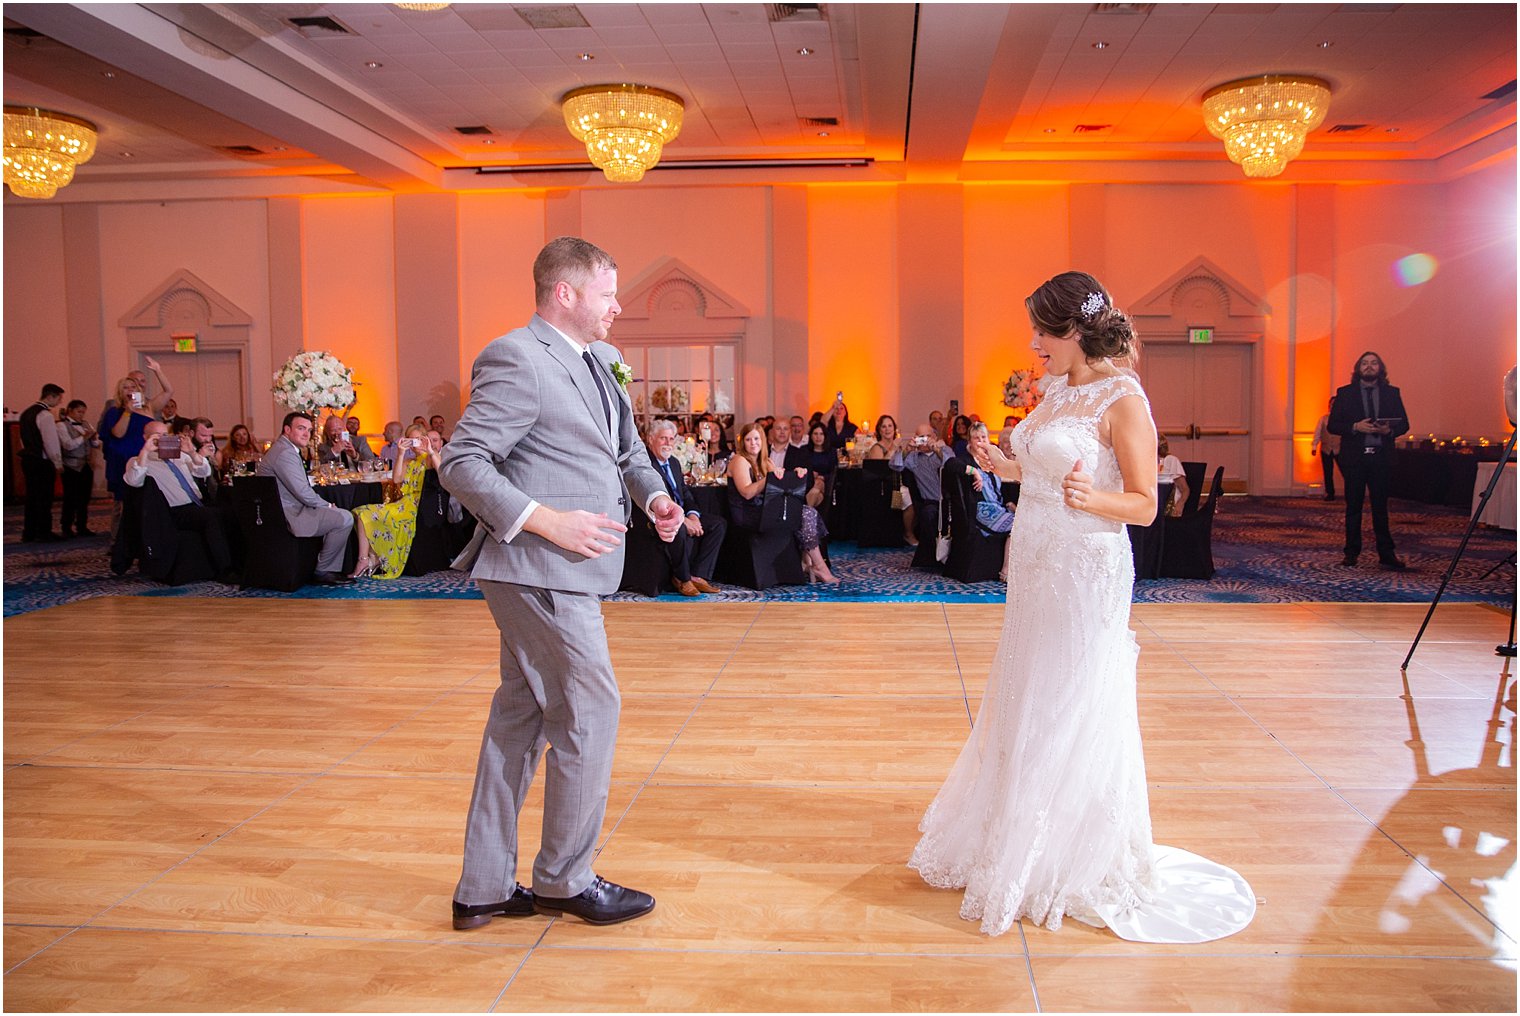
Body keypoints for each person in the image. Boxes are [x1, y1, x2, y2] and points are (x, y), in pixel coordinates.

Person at [909, 271, 1255, 942]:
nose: (1033, 343)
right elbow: (1033, 470)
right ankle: (1016, 828)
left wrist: (1090, 500)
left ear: (1071, 331)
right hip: (1036, 566)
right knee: (1028, 692)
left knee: (1070, 697)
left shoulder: (1124, 399)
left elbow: (1145, 504)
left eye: (1041, 329)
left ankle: (1064, 854)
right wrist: (997, 464)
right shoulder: (1059, 391)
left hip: (1085, 567)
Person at [440, 236, 683, 931]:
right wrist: (547, 521)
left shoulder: (601, 361)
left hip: (563, 573)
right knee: (589, 712)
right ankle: (564, 879)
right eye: (608, 293)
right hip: (537, 568)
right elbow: (463, 461)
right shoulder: (517, 356)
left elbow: (626, 451)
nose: (619, 306)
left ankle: (483, 888)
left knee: (520, 720)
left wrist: (654, 500)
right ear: (566, 294)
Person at [123, 420, 239, 582]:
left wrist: (192, 452)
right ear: (146, 438)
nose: (162, 439)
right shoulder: (138, 460)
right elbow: (134, 480)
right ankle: (224, 569)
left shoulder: (179, 456)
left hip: (195, 504)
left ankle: (238, 562)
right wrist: (145, 451)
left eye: (165, 435)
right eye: (157, 436)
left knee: (229, 511)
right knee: (211, 517)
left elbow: (203, 471)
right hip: (173, 511)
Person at [727, 422, 838, 584]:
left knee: (808, 512)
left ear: (763, 440)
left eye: (756, 439)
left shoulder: (766, 462)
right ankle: (816, 565)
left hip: (765, 510)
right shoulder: (740, 460)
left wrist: (797, 474)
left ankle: (809, 562)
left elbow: (781, 484)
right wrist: (768, 479)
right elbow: (747, 492)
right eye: (748, 440)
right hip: (748, 514)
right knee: (805, 513)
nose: (753, 443)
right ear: (742, 442)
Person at [1329, 351, 1410, 570]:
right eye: (1364, 363)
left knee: (1380, 508)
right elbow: (1333, 425)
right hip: (1355, 458)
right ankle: (1351, 553)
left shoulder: (1392, 393)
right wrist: (1355, 427)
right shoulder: (1345, 393)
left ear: (1380, 368)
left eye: (1373, 363)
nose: (1369, 367)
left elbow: (1404, 424)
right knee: (1353, 507)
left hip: (1382, 458)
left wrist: (1389, 430)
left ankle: (1386, 554)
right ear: (1358, 368)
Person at [256, 411, 355, 585]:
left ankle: (324, 568)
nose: (306, 434)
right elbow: (302, 492)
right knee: (344, 517)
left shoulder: (285, 448)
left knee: (341, 514)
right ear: (287, 429)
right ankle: (324, 570)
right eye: (301, 428)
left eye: (309, 430)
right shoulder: (285, 452)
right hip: (288, 514)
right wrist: (327, 505)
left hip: (284, 509)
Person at [643, 419, 726, 596]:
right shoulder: (645, 464)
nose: (668, 443)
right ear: (651, 440)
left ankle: (697, 575)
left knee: (718, 524)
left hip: (682, 512)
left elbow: (686, 494)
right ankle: (683, 578)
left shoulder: (673, 462)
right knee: (679, 527)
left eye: (671, 439)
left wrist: (693, 515)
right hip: (660, 515)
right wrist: (684, 520)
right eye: (663, 438)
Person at [348, 424, 437, 579]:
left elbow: (443, 472)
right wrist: (401, 453)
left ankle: (373, 560)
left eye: (418, 439)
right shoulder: (408, 460)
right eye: (412, 440)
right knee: (361, 512)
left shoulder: (430, 458)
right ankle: (365, 559)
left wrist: (429, 449)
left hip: (419, 507)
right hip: (402, 503)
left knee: (371, 514)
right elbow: (396, 479)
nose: (415, 444)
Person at [890, 423, 955, 556]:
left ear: (935, 437)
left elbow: (952, 467)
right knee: (929, 513)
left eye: (928, 436)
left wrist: (937, 449)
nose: (925, 441)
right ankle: (931, 555)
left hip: (950, 501)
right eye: (921, 437)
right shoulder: (913, 457)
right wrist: (907, 449)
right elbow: (894, 465)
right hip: (930, 502)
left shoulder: (945, 450)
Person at [19, 384, 65, 542]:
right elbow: (50, 442)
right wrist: (57, 462)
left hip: (28, 459)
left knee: (32, 497)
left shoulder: (26, 413)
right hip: (42, 460)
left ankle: (29, 531)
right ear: (51, 396)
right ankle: (44, 531)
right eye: (59, 398)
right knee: (44, 498)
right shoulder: (45, 415)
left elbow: (23, 439)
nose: (59, 402)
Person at [57, 399, 100, 538]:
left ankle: (82, 526)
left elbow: (95, 443)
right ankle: (66, 526)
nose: (81, 415)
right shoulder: (62, 426)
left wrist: (94, 439)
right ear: (70, 410)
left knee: (84, 498)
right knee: (70, 497)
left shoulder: (86, 424)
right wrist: (83, 437)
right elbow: (68, 445)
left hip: (86, 465)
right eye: (78, 411)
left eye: (83, 412)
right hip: (71, 466)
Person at [965, 422, 1015, 534]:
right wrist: (974, 472)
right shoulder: (967, 460)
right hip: (982, 510)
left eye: (983, 437)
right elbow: (950, 465)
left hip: (999, 507)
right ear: (969, 441)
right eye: (976, 438)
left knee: (1019, 527)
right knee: (1019, 527)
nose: (981, 441)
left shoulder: (993, 459)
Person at [1311, 397, 1340, 501]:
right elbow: (1317, 432)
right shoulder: (1323, 419)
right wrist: (1314, 446)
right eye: (1331, 405)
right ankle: (1330, 493)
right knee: (1327, 472)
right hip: (1326, 448)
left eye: (1335, 405)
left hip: (1340, 449)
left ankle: (1351, 493)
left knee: (1347, 472)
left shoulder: (1343, 419)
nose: (1332, 407)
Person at [1155, 434, 1189, 518]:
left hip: (1168, 506)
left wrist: (1180, 504)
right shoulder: (1144, 462)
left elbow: (1185, 489)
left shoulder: (1170, 460)